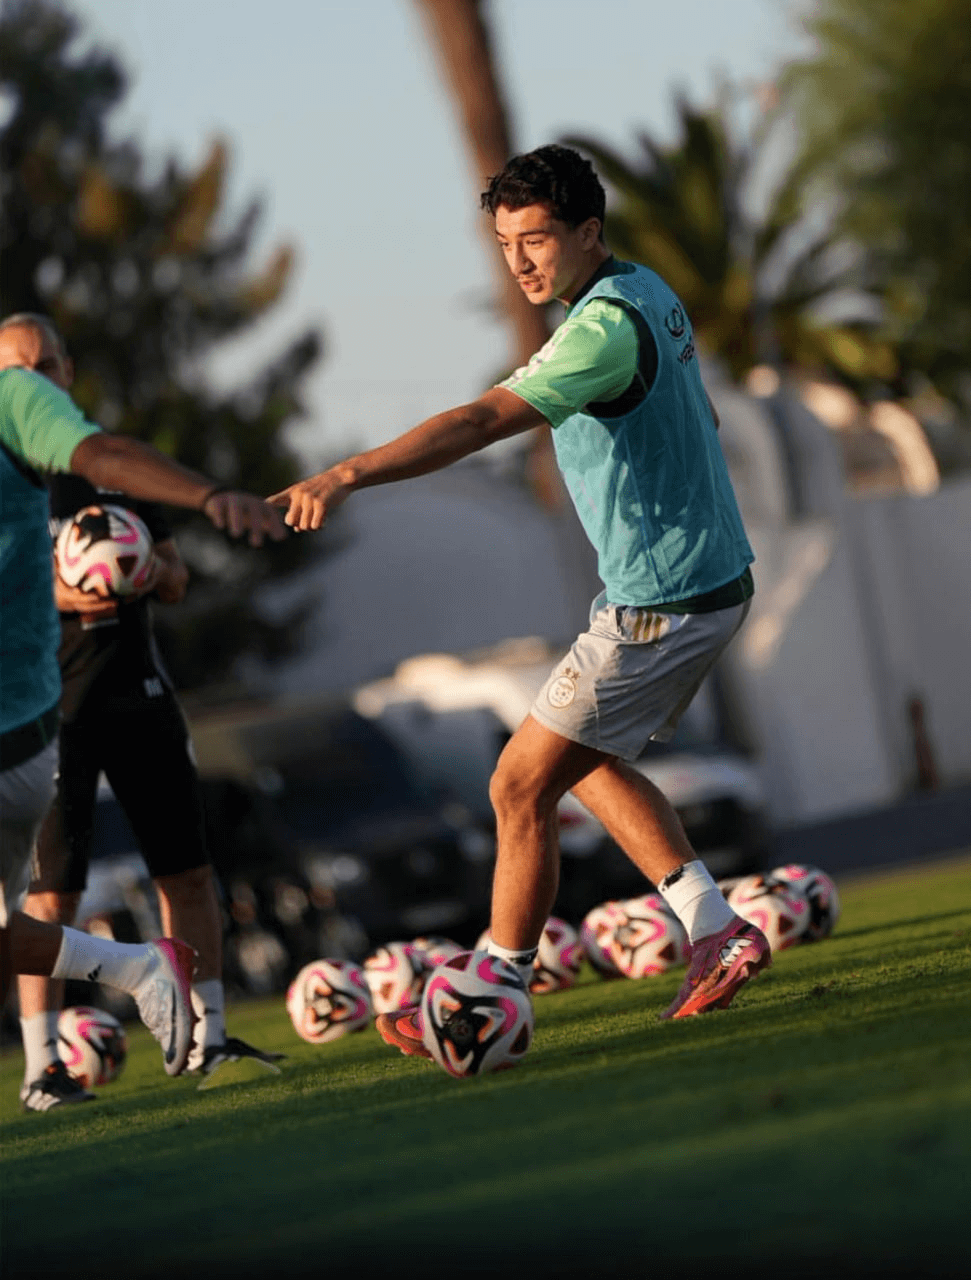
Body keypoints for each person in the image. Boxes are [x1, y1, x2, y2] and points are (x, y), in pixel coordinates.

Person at [269, 145, 771, 1058]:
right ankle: (712, 929)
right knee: (582, 760)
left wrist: (347, 470)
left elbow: (477, 423)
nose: (520, 261)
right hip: (692, 583)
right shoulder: (636, 288)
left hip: (664, 599)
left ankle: (490, 988)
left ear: (588, 230)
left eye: (536, 238)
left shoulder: (602, 329)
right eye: (504, 243)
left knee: (515, 783)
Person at [0, 310, 286, 1102]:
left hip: (135, 693)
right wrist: (71, 586)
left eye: (44, 365)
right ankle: (43, 1066)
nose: (32, 380)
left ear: (66, 369)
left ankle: (211, 1037)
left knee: (186, 872)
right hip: (50, 711)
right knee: (45, 893)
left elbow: (173, 570)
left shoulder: (105, 464)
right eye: (14, 368)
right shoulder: (18, 467)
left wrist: (142, 571)